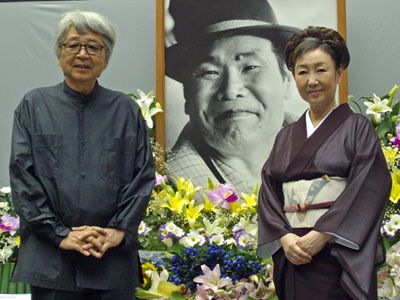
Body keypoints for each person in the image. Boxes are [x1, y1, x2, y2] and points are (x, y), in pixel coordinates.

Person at [9, 10, 155, 300]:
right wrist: (60, 233)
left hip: (110, 258)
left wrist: (118, 230)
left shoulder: (126, 111)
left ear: (106, 58)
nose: (82, 54)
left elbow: (143, 176)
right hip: (52, 259)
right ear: (59, 53)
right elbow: (23, 177)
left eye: (93, 46)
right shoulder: (33, 106)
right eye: (73, 45)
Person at [257, 26, 391, 300]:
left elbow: (369, 187)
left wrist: (323, 233)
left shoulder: (357, 128)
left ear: (339, 73)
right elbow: (269, 190)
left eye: (321, 69)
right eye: (302, 71)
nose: (312, 80)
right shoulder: (285, 136)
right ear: (293, 77)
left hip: (335, 254)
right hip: (294, 252)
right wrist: (284, 237)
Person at [165, 0, 299, 193]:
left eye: (250, 67)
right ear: (187, 95)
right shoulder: (165, 192)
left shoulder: (333, 153)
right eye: (209, 72)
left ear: (287, 80)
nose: (230, 90)